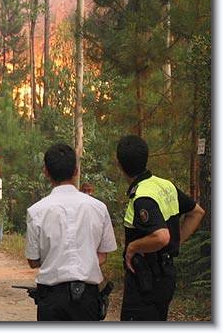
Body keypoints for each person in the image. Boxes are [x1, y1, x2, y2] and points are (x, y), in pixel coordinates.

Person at [115, 135, 205, 321]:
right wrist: (177, 239)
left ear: (120, 165)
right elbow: (197, 212)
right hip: (165, 276)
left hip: (145, 279)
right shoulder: (165, 185)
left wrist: (133, 247)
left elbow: (161, 237)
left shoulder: (142, 197)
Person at [25, 143, 117, 321]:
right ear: (75, 171)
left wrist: (56, 259)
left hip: (52, 299)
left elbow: (33, 261)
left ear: (46, 172)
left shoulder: (36, 211)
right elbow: (103, 256)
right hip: (88, 299)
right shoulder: (99, 208)